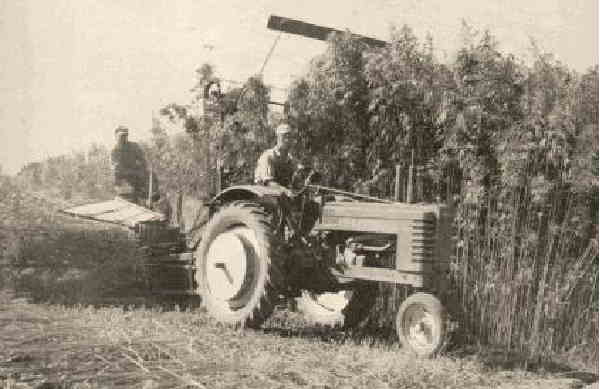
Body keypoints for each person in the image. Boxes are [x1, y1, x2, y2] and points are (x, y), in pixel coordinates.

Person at [111, 125, 154, 205]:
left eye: (125, 135)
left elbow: (144, 161)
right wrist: (135, 171)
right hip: (123, 184)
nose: (123, 138)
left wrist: (144, 170)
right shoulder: (115, 151)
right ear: (116, 137)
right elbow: (117, 171)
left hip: (138, 182)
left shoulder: (134, 147)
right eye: (121, 136)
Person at [254, 123, 300, 194]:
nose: (287, 140)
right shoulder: (268, 156)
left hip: (281, 195)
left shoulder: (291, 160)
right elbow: (268, 182)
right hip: (264, 194)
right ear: (277, 138)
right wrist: (287, 191)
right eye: (284, 137)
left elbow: (297, 180)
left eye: (289, 137)